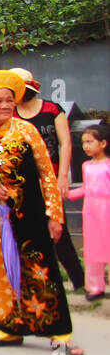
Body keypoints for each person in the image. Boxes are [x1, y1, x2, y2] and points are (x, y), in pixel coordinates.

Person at [0, 71, 82, 355]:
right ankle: (7, 329)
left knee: (42, 269)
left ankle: (59, 333)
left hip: (31, 212)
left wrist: (55, 215)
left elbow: (46, 175)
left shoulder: (28, 131)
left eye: (9, 100)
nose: (5, 105)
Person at [13, 67, 85, 294]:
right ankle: (37, 284)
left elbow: (65, 143)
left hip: (51, 178)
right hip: (22, 182)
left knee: (59, 230)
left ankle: (79, 281)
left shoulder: (52, 110)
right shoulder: (11, 114)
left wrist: (63, 175)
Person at [67, 123, 110, 299]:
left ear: (103, 143)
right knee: (93, 248)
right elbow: (87, 188)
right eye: (84, 142)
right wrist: (67, 194)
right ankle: (95, 287)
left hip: (107, 208)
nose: (86, 146)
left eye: (90, 141)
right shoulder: (86, 166)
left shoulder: (108, 165)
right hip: (90, 211)